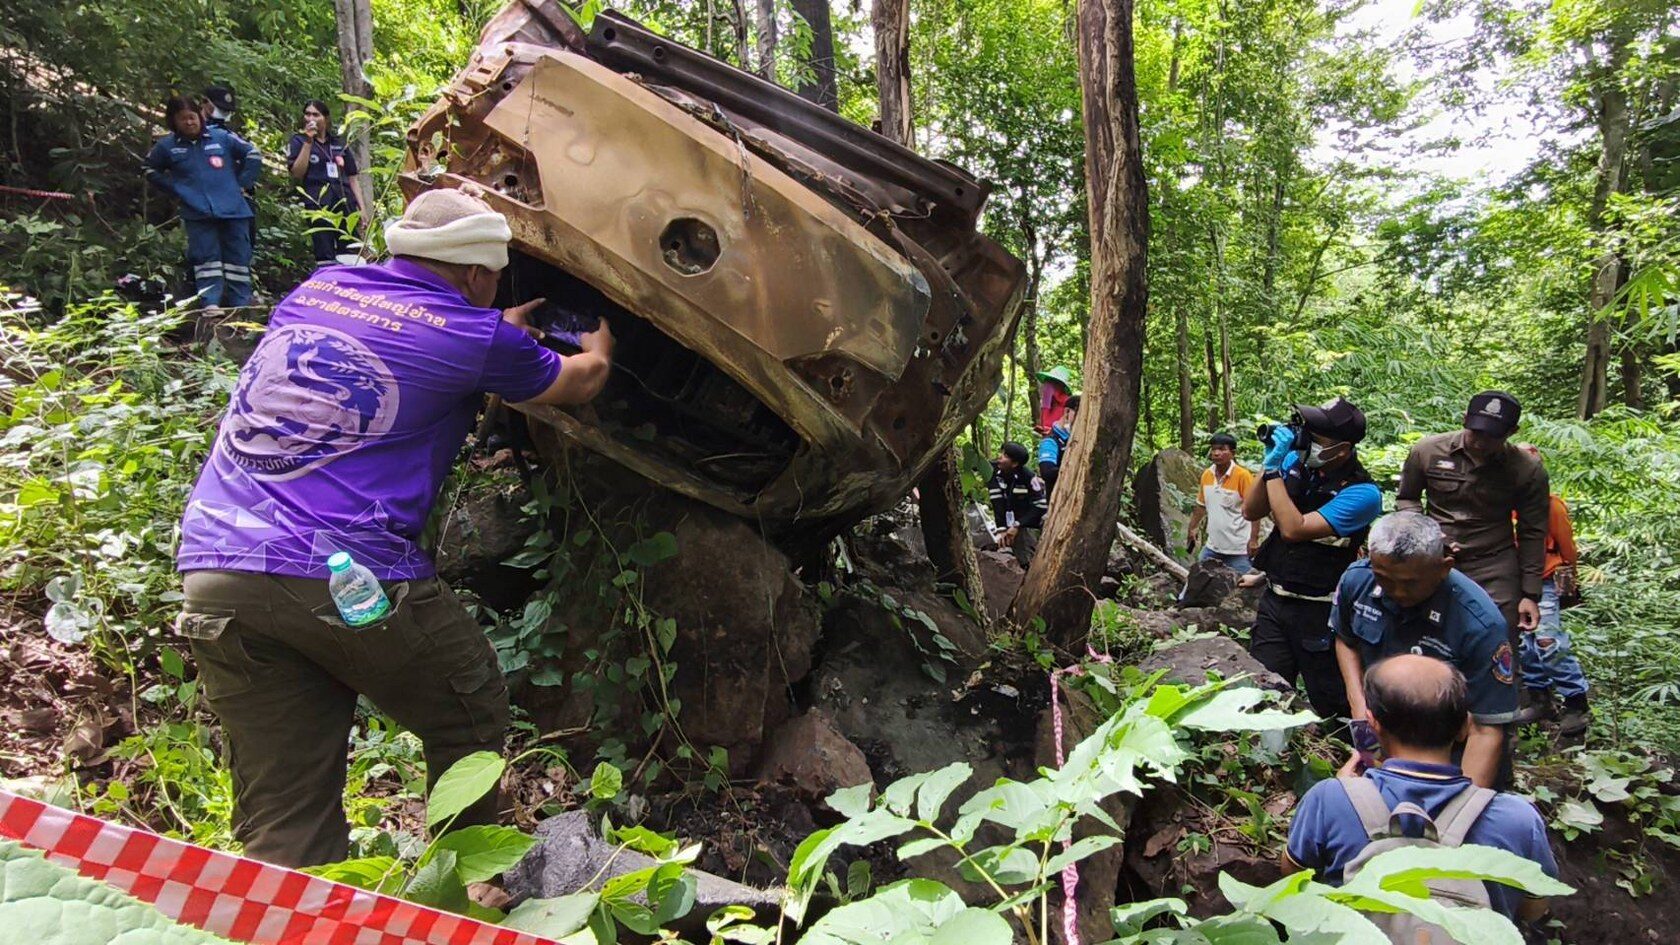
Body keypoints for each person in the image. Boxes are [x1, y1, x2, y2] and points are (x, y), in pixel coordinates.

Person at [174, 188, 616, 868]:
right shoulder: (475, 337)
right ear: (477, 274)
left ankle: (292, 908)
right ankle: (463, 876)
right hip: (344, 578)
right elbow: (579, 381)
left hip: (215, 570)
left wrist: (493, 330)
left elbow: (402, 330)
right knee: (468, 702)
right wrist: (600, 344)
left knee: (285, 811)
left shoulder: (320, 287)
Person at [1286, 654, 1557, 923]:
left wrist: (1346, 790)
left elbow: (1292, 877)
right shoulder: (1518, 818)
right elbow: (1532, 909)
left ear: (1372, 723)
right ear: (1464, 727)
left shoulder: (1329, 798)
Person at [1332, 513, 1519, 788]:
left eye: (1410, 583)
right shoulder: (1357, 582)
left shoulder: (1479, 624)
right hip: (1386, 737)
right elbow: (1347, 640)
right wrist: (1359, 705)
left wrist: (1462, 803)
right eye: (1384, 578)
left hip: (1453, 752)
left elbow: (1486, 729)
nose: (1397, 592)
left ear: (1444, 568)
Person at [1241, 398, 1383, 721]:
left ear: (1341, 450)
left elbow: (1294, 529)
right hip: (1275, 601)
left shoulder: (1363, 493)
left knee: (1330, 701)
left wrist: (1275, 472)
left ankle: (1347, 749)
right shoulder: (1295, 462)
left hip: (1321, 611)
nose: (1305, 440)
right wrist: (1270, 465)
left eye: (1315, 437)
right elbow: (1251, 510)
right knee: (1265, 693)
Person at [1396, 392, 1549, 647]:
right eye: (1476, 431)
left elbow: (1532, 531)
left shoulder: (1527, 469)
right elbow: (1406, 498)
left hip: (1494, 564)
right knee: (1422, 637)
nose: (1481, 441)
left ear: (1512, 432)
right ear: (1465, 419)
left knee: (1498, 641)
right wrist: (1424, 533)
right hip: (1433, 559)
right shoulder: (1427, 451)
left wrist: (1530, 594)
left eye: (1492, 436)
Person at [144, 95, 262, 308]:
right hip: (197, 211)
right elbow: (149, 169)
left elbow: (253, 154)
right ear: (174, 121)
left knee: (238, 258)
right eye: (183, 119)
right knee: (206, 259)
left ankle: (241, 304)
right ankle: (210, 304)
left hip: (233, 209)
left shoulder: (222, 137)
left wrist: (243, 183)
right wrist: (176, 188)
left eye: (192, 117)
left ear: (200, 116)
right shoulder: (167, 146)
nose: (189, 122)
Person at [1511, 444, 1590, 734]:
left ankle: (1576, 702)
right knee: (1524, 643)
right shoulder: (1502, 506)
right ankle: (1539, 699)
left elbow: (1567, 546)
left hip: (1544, 578)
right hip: (1511, 579)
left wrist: (1570, 581)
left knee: (1548, 640)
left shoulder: (1551, 505)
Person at [288, 100, 366, 266]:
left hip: (344, 202)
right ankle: (327, 279)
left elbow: (352, 177)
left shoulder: (338, 143)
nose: (311, 118)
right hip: (318, 203)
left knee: (350, 251)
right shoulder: (299, 141)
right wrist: (308, 142)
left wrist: (362, 209)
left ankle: (347, 281)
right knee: (324, 252)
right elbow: (297, 172)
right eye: (307, 114)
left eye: (316, 115)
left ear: (325, 118)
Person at [1186, 433, 1260, 574]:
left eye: (1221, 449)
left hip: (1239, 550)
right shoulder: (1207, 475)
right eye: (1214, 449)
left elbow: (1254, 509)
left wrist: (1254, 540)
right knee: (1196, 580)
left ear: (1233, 453)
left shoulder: (1243, 476)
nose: (1216, 453)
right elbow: (1201, 505)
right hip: (1212, 547)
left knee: (1244, 584)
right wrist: (1192, 527)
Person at [202, 84, 259, 249]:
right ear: (205, 103)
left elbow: (254, 155)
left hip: (234, 204)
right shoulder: (195, 135)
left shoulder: (227, 136)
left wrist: (242, 185)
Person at [988, 441, 1047, 567]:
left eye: (1005, 456)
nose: (999, 457)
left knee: (1026, 557)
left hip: (1026, 523)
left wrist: (1018, 524)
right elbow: (997, 503)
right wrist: (1001, 529)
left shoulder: (1028, 477)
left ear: (1014, 463)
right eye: (1001, 453)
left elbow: (1040, 506)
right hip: (1007, 523)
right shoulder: (992, 471)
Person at [1036, 394, 1079, 499]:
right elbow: (1047, 472)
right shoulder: (1050, 441)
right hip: (1058, 500)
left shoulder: (1077, 438)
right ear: (1067, 412)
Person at [1033, 366, 1074, 436]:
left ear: (1061, 385)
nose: (1048, 386)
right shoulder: (1049, 402)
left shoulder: (1068, 403)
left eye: (1054, 383)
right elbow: (1045, 418)